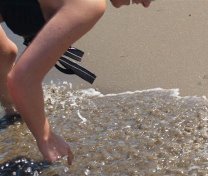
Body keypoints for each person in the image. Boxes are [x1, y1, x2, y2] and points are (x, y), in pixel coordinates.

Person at [0, 0, 152, 165]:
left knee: (4, 54)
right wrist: (46, 137)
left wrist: (18, 109)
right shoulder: (89, 4)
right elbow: (22, 80)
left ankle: (12, 109)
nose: (146, 4)